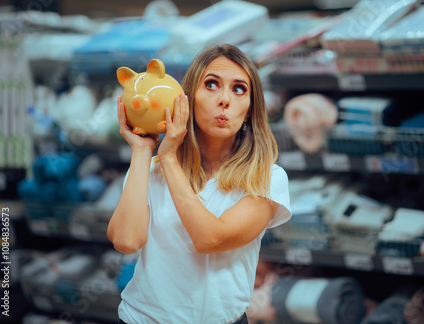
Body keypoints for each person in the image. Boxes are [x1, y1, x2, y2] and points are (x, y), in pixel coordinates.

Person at [107, 44, 291, 324]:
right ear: (188, 98)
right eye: (212, 85)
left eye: (239, 89)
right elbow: (126, 241)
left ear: (250, 110)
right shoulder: (150, 169)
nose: (225, 100)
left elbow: (210, 239)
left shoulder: (267, 178)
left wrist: (167, 156)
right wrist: (143, 151)